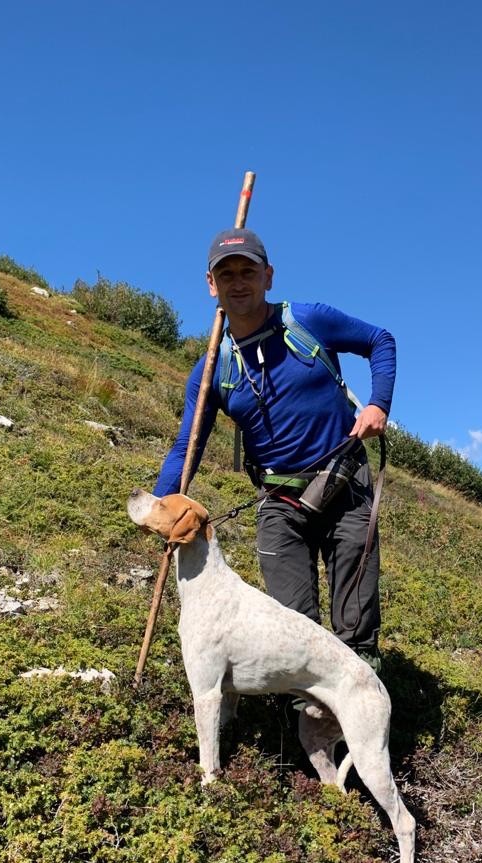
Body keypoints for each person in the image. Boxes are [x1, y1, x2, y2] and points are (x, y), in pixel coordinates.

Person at [154, 228, 396, 669]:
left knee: (356, 626)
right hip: (279, 502)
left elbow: (379, 340)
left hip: (347, 485)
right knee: (292, 633)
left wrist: (378, 403)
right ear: (211, 285)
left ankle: (363, 728)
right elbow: (187, 447)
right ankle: (308, 729)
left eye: (249, 270)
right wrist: (159, 508)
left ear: (269, 276)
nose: (238, 282)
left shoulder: (306, 321)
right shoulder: (213, 370)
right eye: (226, 274)